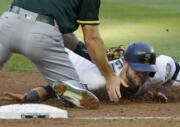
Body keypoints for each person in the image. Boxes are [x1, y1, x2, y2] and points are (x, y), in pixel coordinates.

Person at [0, 0, 126, 109]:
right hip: (40, 37)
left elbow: (60, 30)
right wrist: (109, 76)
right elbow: (91, 38)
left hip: (7, 23)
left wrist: (86, 54)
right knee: (78, 94)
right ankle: (69, 88)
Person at [4, 41, 177, 106]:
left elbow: (174, 67)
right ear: (126, 64)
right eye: (139, 70)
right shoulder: (98, 82)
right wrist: (30, 97)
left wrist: (161, 90)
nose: (143, 75)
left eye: (147, 72)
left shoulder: (158, 71)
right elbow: (57, 88)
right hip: (63, 56)